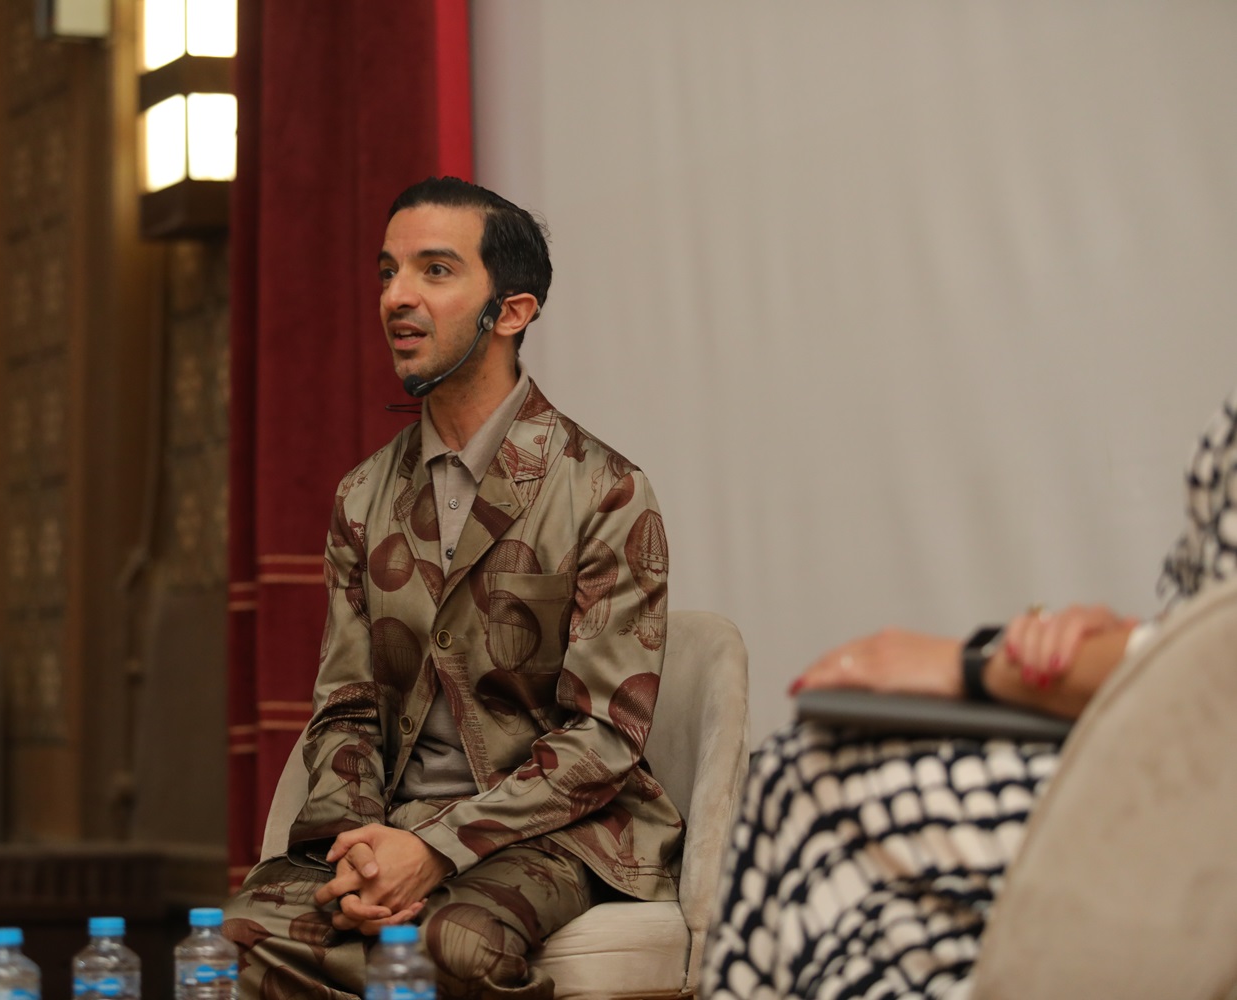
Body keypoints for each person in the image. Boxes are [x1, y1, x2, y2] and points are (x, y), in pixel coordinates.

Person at [223, 177, 683, 1000]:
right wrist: (363, 847)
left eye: (434, 271)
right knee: (237, 937)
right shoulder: (362, 496)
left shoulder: (604, 490)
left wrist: (438, 849)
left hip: (559, 832)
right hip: (391, 823)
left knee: (453, 944)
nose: (396, 296)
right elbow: (346, 706)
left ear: (511, 311)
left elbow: (604, 736)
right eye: (387, 271)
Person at [703, 383, 1237, 1000]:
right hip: (1182, 762)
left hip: (1202, 804)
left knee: (810, 786)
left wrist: (970, 666)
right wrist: (1134, 637)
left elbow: (1221, 669)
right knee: (794, 775)